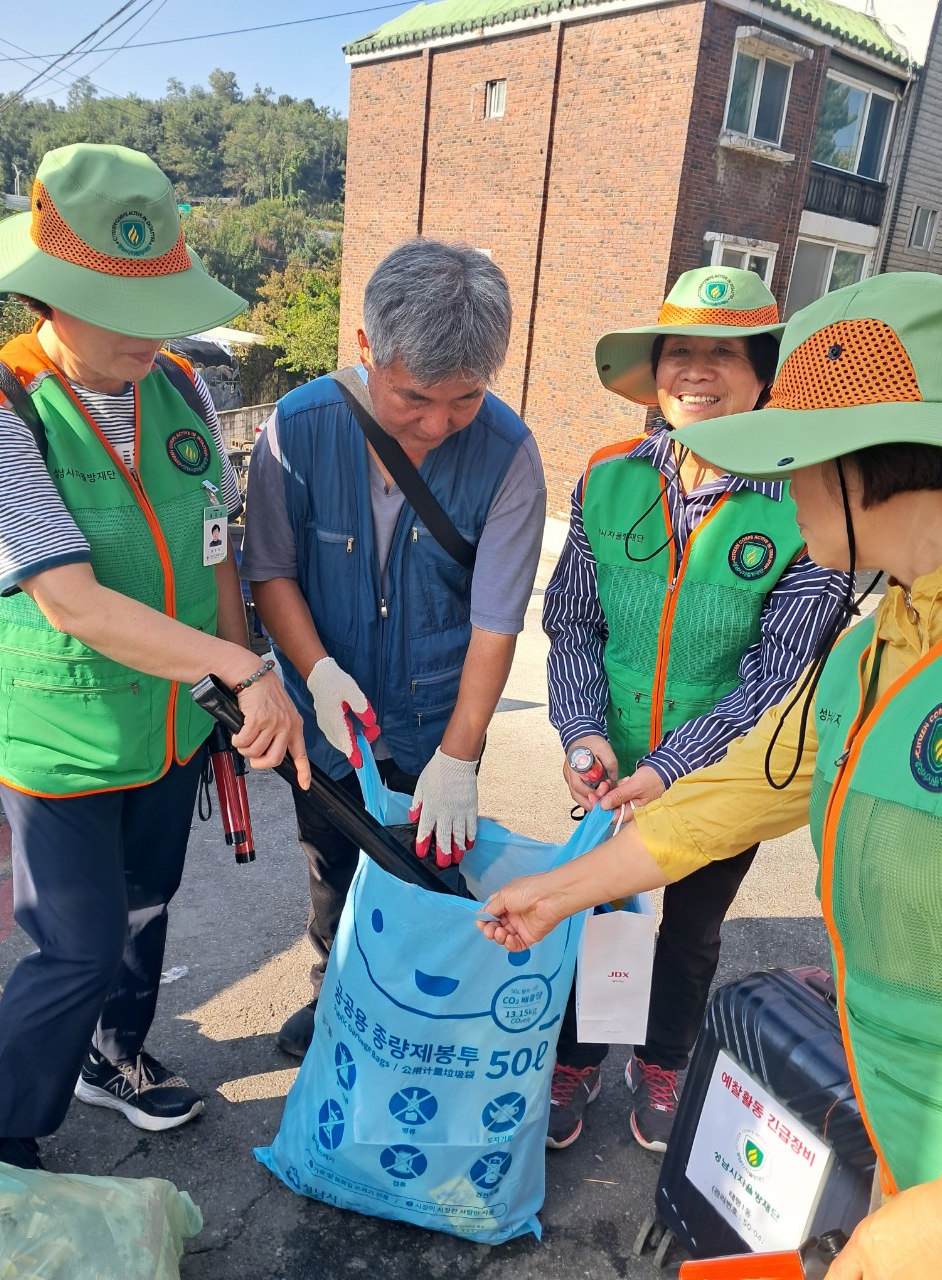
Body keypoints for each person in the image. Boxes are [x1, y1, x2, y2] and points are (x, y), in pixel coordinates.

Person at [479, 271, 942, 1280]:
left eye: (791, 457)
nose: (775, 483)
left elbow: (760, 702)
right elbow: (751, 783)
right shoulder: (885, 641)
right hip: (895, 1110)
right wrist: (558, 891)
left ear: (866, 464)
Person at [0, 144, 308, 1171]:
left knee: (146, 902)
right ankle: (2, 1127)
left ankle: (115, 1057)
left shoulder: (184, 393)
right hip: (60, 732)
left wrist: (241, 673)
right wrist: (240, 667)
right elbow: (71, 599)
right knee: (72, 942)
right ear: (45, 292)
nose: (148, 332)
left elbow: (215, 546)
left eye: (159, 303)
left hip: (173, 723)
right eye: (114, 306)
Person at [543, 266, 850, 1152]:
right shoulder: (609, 477)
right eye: (680, 351)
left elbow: (775, 676)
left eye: (723, 353)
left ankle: (665, 1058)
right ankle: (581, 1056)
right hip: (611, 768)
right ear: (656, 369)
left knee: (689, 931)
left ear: (763, 372)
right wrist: (584, 730)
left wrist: (668, 770)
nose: (696, 372)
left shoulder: (804, 501)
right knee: (600, 911)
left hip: (728, 775)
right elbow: (571, 621)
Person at [241, 237, 546, 1059]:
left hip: (439, 718)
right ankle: (333, 991)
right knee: (329, 864)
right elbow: (270, 572)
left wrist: (459, 753)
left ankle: (418, 1013)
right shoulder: (297, 429)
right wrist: (317, 670)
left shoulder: (511, 456)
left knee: (431, 873)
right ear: (367, 349)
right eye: (415, 398)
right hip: (328, 716)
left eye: (466, 400)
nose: (438, 424)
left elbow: (496, 621)